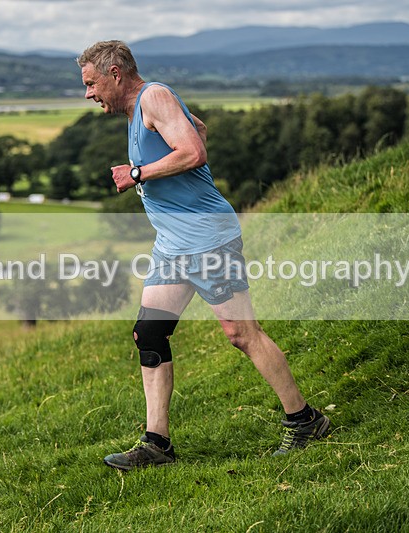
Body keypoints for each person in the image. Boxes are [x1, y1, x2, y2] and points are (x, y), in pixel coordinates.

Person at [77, 40, 329, 470]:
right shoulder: (142, 109)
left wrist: (138, 172)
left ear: (115, 74)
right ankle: (157, 444)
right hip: (173, 245)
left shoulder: (154, 96)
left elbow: (195, 151)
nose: (88, 94)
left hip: (207, 238)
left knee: (241, 333)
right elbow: (198, 128)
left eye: (91, 83)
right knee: (149, 334)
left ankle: (305, 420)